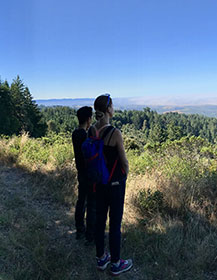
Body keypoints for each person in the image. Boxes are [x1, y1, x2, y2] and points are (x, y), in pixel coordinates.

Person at [91, 94, 133, 276]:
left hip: (98, 183)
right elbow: (123, 161)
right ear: (108, 109)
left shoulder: (92, 130)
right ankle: (116, 263)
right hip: (115, 184)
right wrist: (127, 173)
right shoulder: (115, 133)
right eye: (113, 106)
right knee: (115, 223)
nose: (114, 108)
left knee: (100, 221)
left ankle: (101, 258)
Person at [72, 106, 95, 244]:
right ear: (88, 119)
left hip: (81, 172)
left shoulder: (75, 133)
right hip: (88, 173)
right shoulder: (85, 135)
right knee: (91, 204)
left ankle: (79, 230)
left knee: (81, 202)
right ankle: (90, 234)